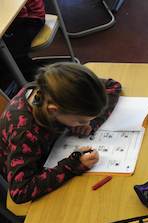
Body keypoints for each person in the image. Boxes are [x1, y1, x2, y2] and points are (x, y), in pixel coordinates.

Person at [0, 62, 122, 204]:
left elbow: (113, 86)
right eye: (80, 120)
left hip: (52, 148)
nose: (85, 123)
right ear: (53, 110)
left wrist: (93, 123)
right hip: (34, 167)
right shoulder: (25, 133)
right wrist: (72, 165)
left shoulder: (52, 88)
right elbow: (20, 192)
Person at [0, 0, 45, 89]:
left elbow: (15, 10)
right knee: (6, 55)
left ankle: (40, 79)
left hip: (30, 18)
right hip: (11, 19)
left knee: (11, 53)